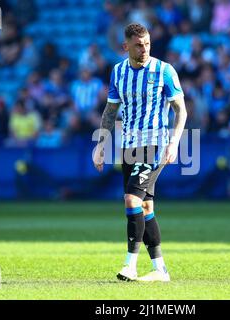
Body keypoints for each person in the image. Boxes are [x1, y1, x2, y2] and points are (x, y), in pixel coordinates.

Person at [93, 23, 187, 282]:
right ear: (126, 47)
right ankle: (160, 269)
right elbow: (110, 112)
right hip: (129, 146)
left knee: (131, 200)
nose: (144, 48)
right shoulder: (118, 72)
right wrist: (101, 145)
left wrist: (174, 142)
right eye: (138, 44)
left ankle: (130, 265)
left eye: (147, 43)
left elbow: (181, 110)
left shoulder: (164, 71)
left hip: (155, 144)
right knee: (145, 206)